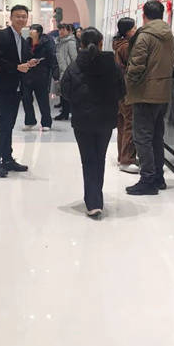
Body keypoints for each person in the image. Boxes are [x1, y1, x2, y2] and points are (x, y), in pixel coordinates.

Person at [61, 27, 125, 219]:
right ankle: (96, 198)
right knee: (100, 157)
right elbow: (122, 91)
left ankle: (93, 202)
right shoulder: (112, 65)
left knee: (88, 159)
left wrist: (79, 101)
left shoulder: (75, 66)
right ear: (101, 44)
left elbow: (65, 91)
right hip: (105, 120)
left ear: (80, 45)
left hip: (82, 120)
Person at [124, 0, 174, 195]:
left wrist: (129, 83)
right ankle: (158, 178)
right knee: (156, 137)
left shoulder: (145, 36)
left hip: (145, 94)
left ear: (144, 15)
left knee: (142, 138)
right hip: (163, 93)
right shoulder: (170, 37)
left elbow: (136, 66)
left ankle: (147, 180)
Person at [0, 5, 39, 178]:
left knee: (9, 124)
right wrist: (17, 67)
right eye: (18, 16)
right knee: (4, 123)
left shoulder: (22, 40)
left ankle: (7, 159)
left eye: (24, 16)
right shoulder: (2, 36)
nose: (21, 19)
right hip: (4, 87)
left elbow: (21, 61)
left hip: (17, 88)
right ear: (11, 18)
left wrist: (29, 63)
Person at [112, 17, 139, 174]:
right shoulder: (127, 47)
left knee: (122, 122)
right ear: (128, 31)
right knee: (129, 122)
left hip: (120, 89)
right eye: (134, 28)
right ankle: (127, 160)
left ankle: (122, 156)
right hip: (128, 89)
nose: (136, 30)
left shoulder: (118, 44)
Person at [22, 24, 59, 131]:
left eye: (33, 30)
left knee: (43, 100)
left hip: (42, 74)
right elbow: (22, 56)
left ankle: (46, 123)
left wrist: (55, 75)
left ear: (38, 32)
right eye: (30, 30)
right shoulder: (26, 42)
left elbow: (52, 58)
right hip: (27, 74)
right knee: (26, 98)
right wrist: (28, 61)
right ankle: (30, 121)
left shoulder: (47, 42)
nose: (30, 32)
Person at [54, 24, 77, 120]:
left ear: (69, 31)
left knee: (67, 94)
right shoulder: (59, 42)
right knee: (62, 93)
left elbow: (74, 58)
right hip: (61, 70)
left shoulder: (70, 42)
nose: (61, 32)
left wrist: (72, 72)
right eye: (60, 30)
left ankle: (66, 113)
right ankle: (64, 113)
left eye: (63, 29)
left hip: (67, 72)